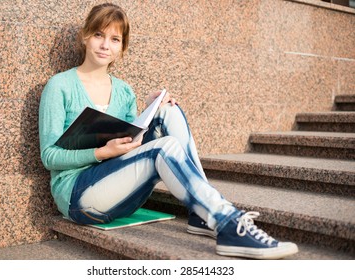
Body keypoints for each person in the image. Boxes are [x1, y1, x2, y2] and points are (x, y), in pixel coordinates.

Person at [39, 3, 298, 259]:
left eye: (115, 39)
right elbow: (49, 156)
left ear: (122, 47)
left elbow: (133, 144)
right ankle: (227, 222)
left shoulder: (124, 91)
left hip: (120, 192)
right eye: (99, 35)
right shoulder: (59, 86)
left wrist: (151, 109)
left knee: (168, 110)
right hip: (78, 197)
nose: (106, 45)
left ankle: (200, 214)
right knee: (164, 148)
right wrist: (100, 153)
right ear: (85, 36)